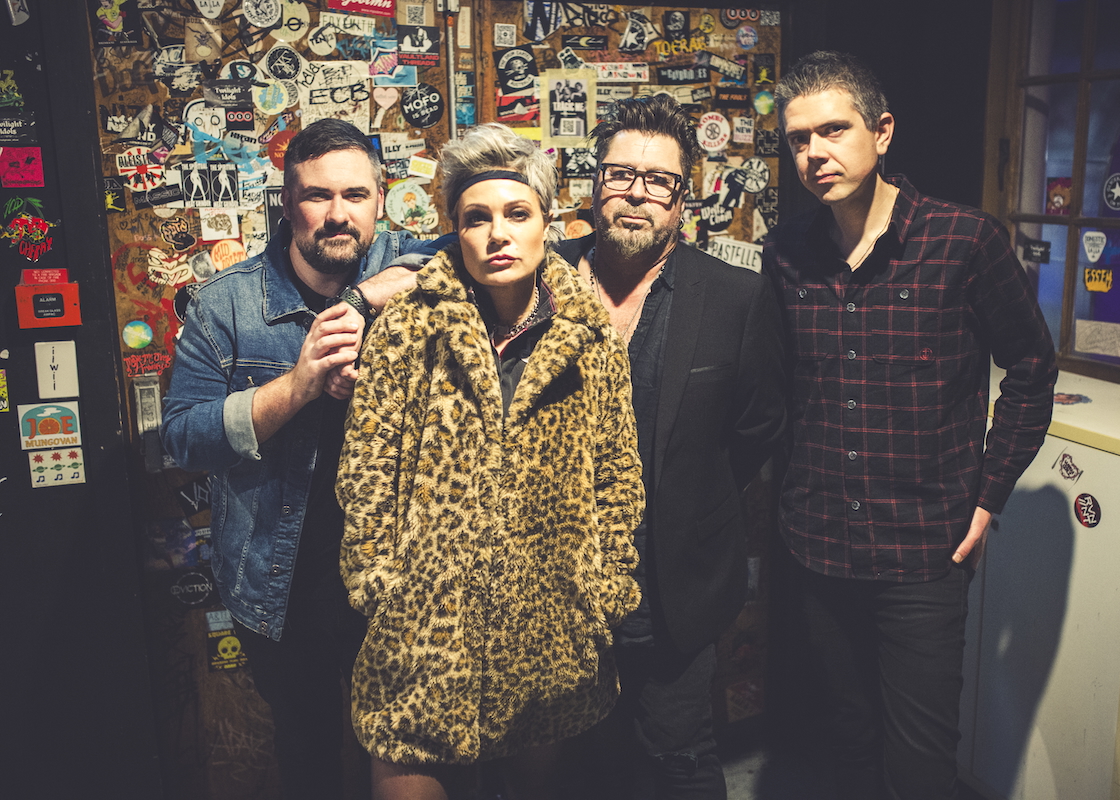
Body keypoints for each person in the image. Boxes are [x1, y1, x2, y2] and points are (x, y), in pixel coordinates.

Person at [763, 51, 1058, 799]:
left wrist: (988, 496)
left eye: (834, 130)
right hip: (818, 542)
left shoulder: (964, 241)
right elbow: (779, 387)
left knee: (922, 762)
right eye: (798, 139)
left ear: (883, 131)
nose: (814, 153)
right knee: (845, 740)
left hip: (923, 546)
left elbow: (1031, 367)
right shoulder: (787, 252)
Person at [335, 122, 645, 800]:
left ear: (547, 224)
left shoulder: (590, 339)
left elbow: (617, 476)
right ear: (455, 229)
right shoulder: (408, 326)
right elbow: (367, 472)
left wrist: (605, 589)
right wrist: (380, 585)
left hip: (548, 632)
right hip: (423, 631)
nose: (497, 234)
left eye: (516, 214)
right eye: (477, 218)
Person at [161, 118, 442, 800]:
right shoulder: (226, 305)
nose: (339, 214)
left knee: (414, 750)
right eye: (318, 195)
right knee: (307, 749)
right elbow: (183, 439)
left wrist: (364, 299)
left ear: (381, 199)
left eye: (356, 194)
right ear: (287, 204)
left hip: (405, 579)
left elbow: (485, 249)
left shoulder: (423, 271)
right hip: (279, 585)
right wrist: (298, 385)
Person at [556, 94, 786, 798]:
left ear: (682, 199)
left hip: (673, 588)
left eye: (659, 180)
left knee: (679, 760)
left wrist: (687, 498)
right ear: (595, 185)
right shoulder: (538, 279)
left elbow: (756, 428)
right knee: (575, 768)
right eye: (620, 174)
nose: (637, 194)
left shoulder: (736, 297)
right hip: (557, 585)